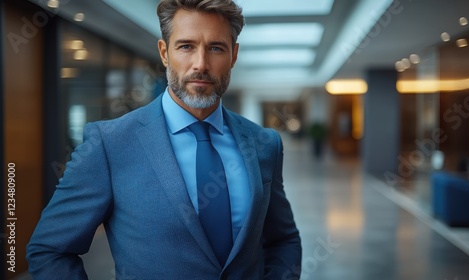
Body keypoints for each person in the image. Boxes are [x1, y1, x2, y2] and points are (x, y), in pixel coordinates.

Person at [26, 0, 302, 279]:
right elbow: (50, 249)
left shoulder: (263, 143)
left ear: (234, 56)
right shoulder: (110, 144)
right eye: (186, 46)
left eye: (216, 48)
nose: (201, 64)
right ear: (164, 53)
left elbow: (283, 240)